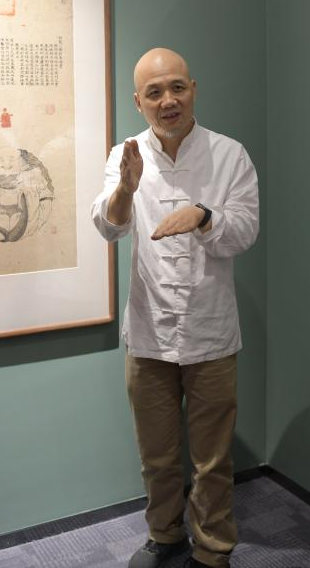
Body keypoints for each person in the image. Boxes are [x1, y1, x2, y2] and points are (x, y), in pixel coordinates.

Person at [91, 48, 259, 568]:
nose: (168, 100)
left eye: (177, 88)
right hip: (149, 331)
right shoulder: (126, 155)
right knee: (158, 455)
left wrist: (204, 216)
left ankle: (212, 548)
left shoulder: (230, 154)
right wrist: (126, 188)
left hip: (211, 331)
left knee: (212, 459)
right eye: (155, 92)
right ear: (138, 101)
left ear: (193, 89)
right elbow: (108, 227)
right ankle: (165, 535)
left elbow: (246, 231)